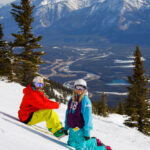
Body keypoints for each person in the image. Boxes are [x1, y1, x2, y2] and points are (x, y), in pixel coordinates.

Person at [64, 79, 107, 150]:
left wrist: (87, 133)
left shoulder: (85, 100)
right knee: (70, 144)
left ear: (85, 89)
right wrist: (66, 127)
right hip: (72, 129)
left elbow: (88, 118)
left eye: (82, 88)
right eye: (78, 87)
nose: (80, 90)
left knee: (80, 148)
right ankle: (92, 141)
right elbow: (68, 114)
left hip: (80, 129)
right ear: (75, 87)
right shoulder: (72, 99)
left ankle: (99, 146)